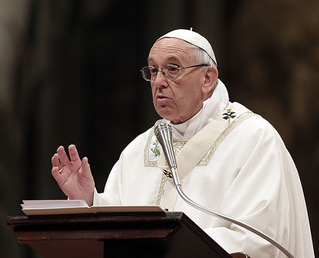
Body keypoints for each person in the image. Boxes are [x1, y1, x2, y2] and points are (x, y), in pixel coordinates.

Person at [50, 29, 314, 258]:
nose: (159, 82)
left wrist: (168, 245)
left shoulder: (253, 138)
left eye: (172, 69)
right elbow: (120, 227)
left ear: (208, 79)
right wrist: (88, 201)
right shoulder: (138, 149)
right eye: (153, 71)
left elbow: (260, 239)